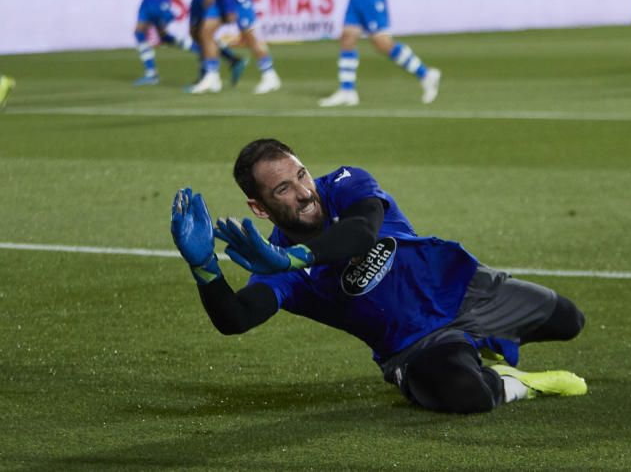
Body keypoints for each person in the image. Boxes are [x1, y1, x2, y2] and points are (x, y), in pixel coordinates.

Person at [169, 138, 587, 413]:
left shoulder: (346, 185)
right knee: (470, 396)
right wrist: (204, 267)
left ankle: (481, 342)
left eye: (301, 175)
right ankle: (515, 383)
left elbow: (361, 231)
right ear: (259, 208)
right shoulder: (277, 268)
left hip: (463, 288)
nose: (303, 192)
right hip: (415, 344)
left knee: (570, 321)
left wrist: (295, 258)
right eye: (282, 190)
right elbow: (237, 318)